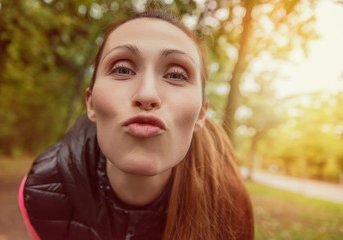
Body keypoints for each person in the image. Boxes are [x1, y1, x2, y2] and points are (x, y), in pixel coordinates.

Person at [19, 10, 254, 240]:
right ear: (90, 104)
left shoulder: (230, 205)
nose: (147, 94)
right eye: (123, 70)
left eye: (175, 75)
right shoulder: (43, 191)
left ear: (201, 114)